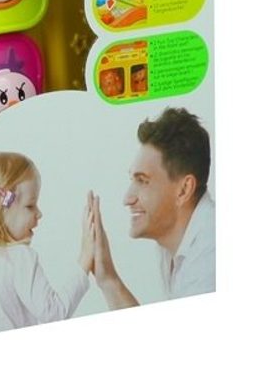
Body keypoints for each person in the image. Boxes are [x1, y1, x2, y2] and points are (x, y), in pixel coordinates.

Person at [0, 152, 94, 337]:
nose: (39, 213)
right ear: (0, 209)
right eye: (30, 205)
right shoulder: (20, 257)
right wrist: (85, 261)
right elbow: (54, 313)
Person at [91, 107, 214, 308]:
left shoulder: (210, 260)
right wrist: (107, 278)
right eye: (133, 180)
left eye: (142, 180)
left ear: (183, 190)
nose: (127, 199)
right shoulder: (173, 245)